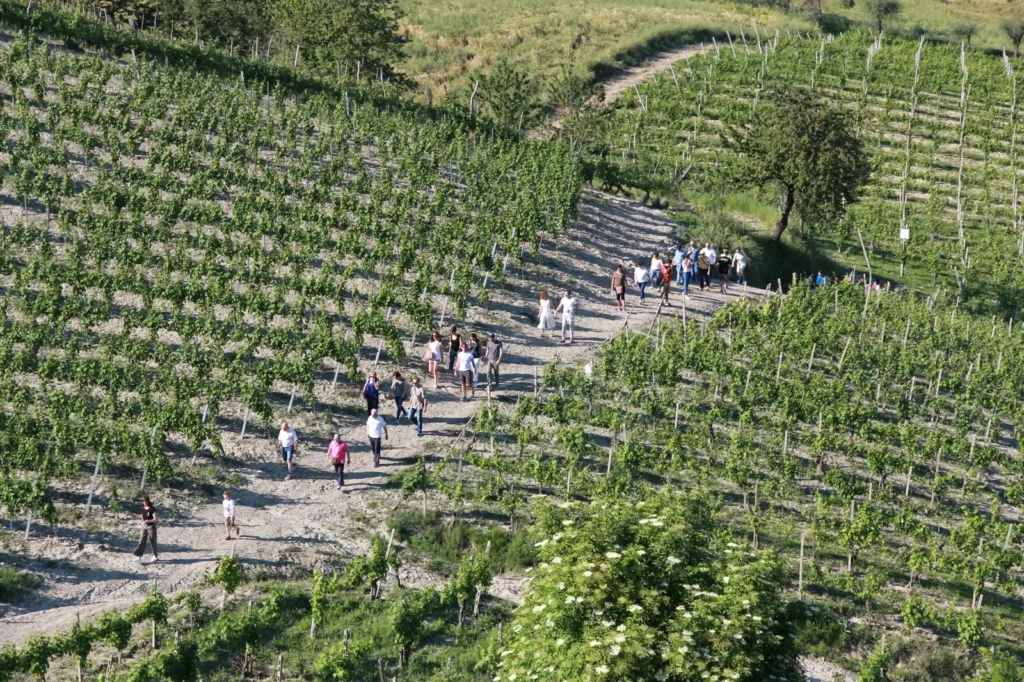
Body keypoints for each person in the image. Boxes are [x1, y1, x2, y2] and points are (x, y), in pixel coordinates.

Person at [132, 497, 159, 563]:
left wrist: (148, 521)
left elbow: (155, 519)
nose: (143, 502)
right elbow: (143, 516)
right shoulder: (143, 508)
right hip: (144, 527)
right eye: (142, 501)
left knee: (153, 541)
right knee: (141, 541)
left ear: (147, 501)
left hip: (151, 527)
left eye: (144, 501)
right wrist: (142, 522)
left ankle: (155, 556)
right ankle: (139, 556)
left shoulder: (152, 509)